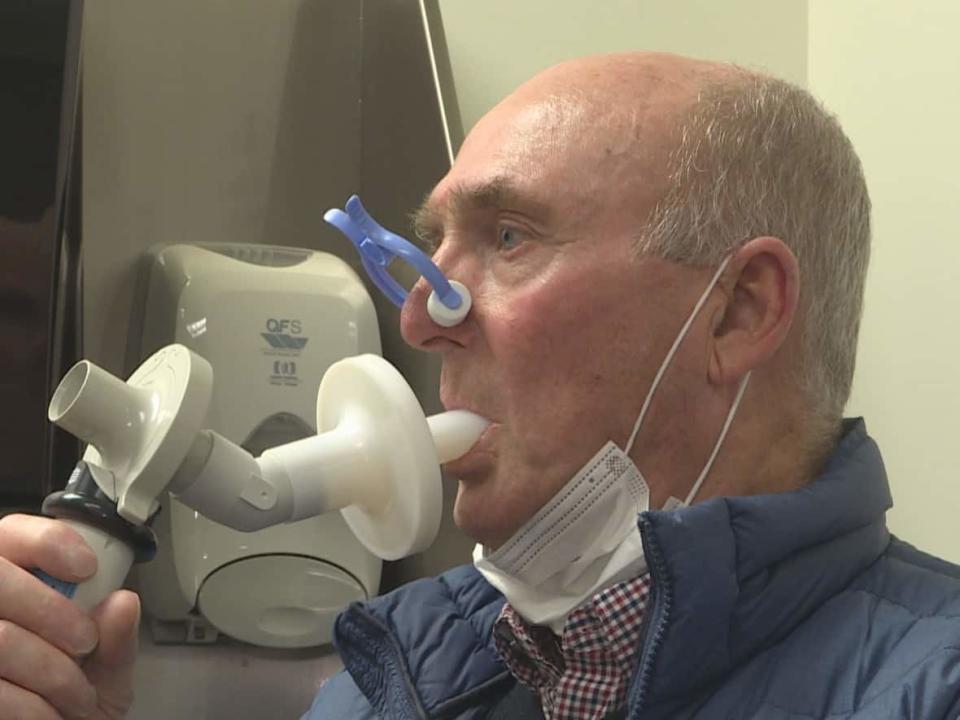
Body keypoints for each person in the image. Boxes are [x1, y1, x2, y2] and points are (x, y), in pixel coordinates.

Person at [1, 51, 958, 720]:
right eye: (429, 251)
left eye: (508, 238)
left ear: (739, 310)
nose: (419, 320)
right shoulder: (394, 671)